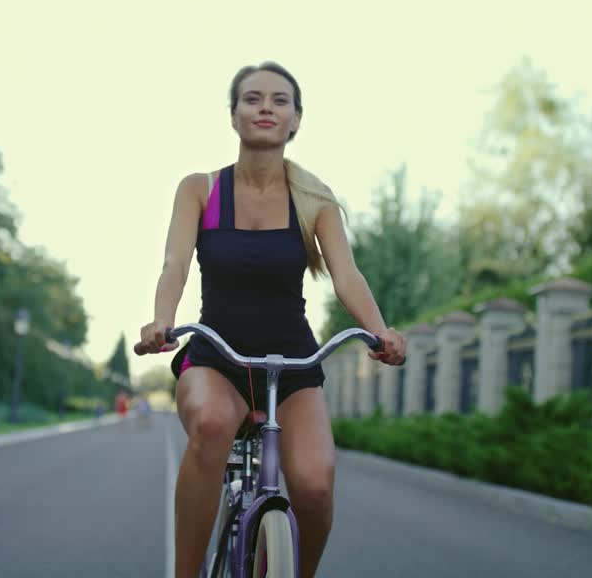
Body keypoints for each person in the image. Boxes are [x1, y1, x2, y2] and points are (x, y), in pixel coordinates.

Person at [134, 61, 406, 578]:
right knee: (212, 424)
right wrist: (161, 321)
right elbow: (175, 263)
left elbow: (347, 276)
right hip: (217, 356)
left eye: (280, 100)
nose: (265, 107)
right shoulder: (200, 190)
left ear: (296, 120)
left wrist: (381, 330)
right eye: (252, 98)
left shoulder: (315, 201)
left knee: (314, 483)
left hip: (294, 364)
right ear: (234, 116)